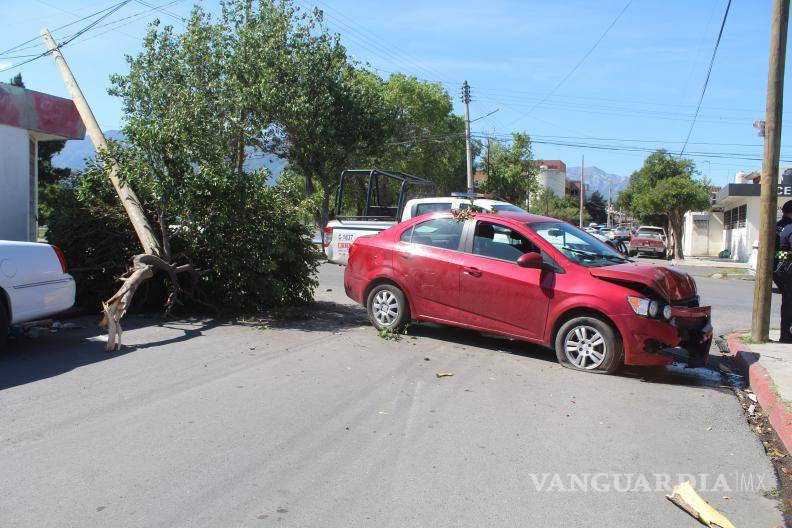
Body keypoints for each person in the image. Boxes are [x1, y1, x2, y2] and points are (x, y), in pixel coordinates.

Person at [777, 200, 792, 342]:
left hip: (778, 268)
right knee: (789, 302)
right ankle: (786, 334)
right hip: (787, 268)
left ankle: (786, 332)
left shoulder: (777, 226)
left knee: (787, 301)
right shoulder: (790, 227)